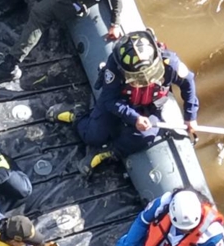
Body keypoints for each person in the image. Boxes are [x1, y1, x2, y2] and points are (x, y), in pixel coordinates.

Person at [56, 28, 198, 168]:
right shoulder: (114, 68)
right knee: (93, 136)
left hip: (150, 106)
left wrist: (190, 116)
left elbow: (188, 82)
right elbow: (110, 100)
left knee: (146, 136)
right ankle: (78, 115)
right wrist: (134, 117)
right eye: (140, 78)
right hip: (122, 103)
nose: (146, 81)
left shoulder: (170, 62)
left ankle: (111, 151)